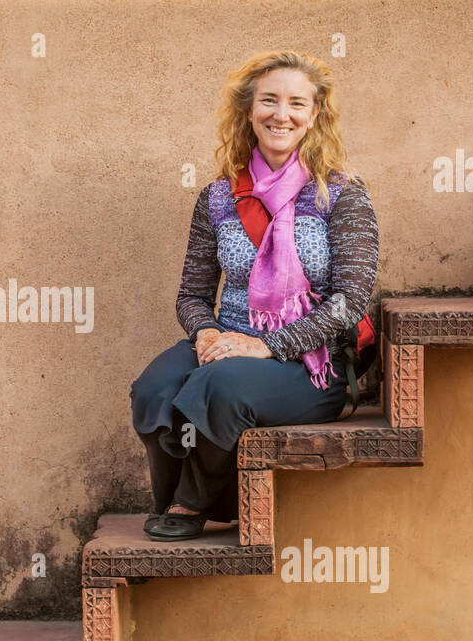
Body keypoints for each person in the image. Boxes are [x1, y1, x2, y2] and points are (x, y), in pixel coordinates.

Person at [129, 50, 379, 541]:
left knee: (219, 388)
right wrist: (205, 331)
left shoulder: (342, 193)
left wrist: (268, 345)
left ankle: (192, 503)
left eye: (295, 103)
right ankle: (185, 494)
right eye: (268, 100)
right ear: (248, 110)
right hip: (228, 341)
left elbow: (350, 300)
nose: (280, 115)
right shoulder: (218, 197)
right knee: (153, 389)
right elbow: (192, 295)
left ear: (315, 115)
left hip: (309, 362)